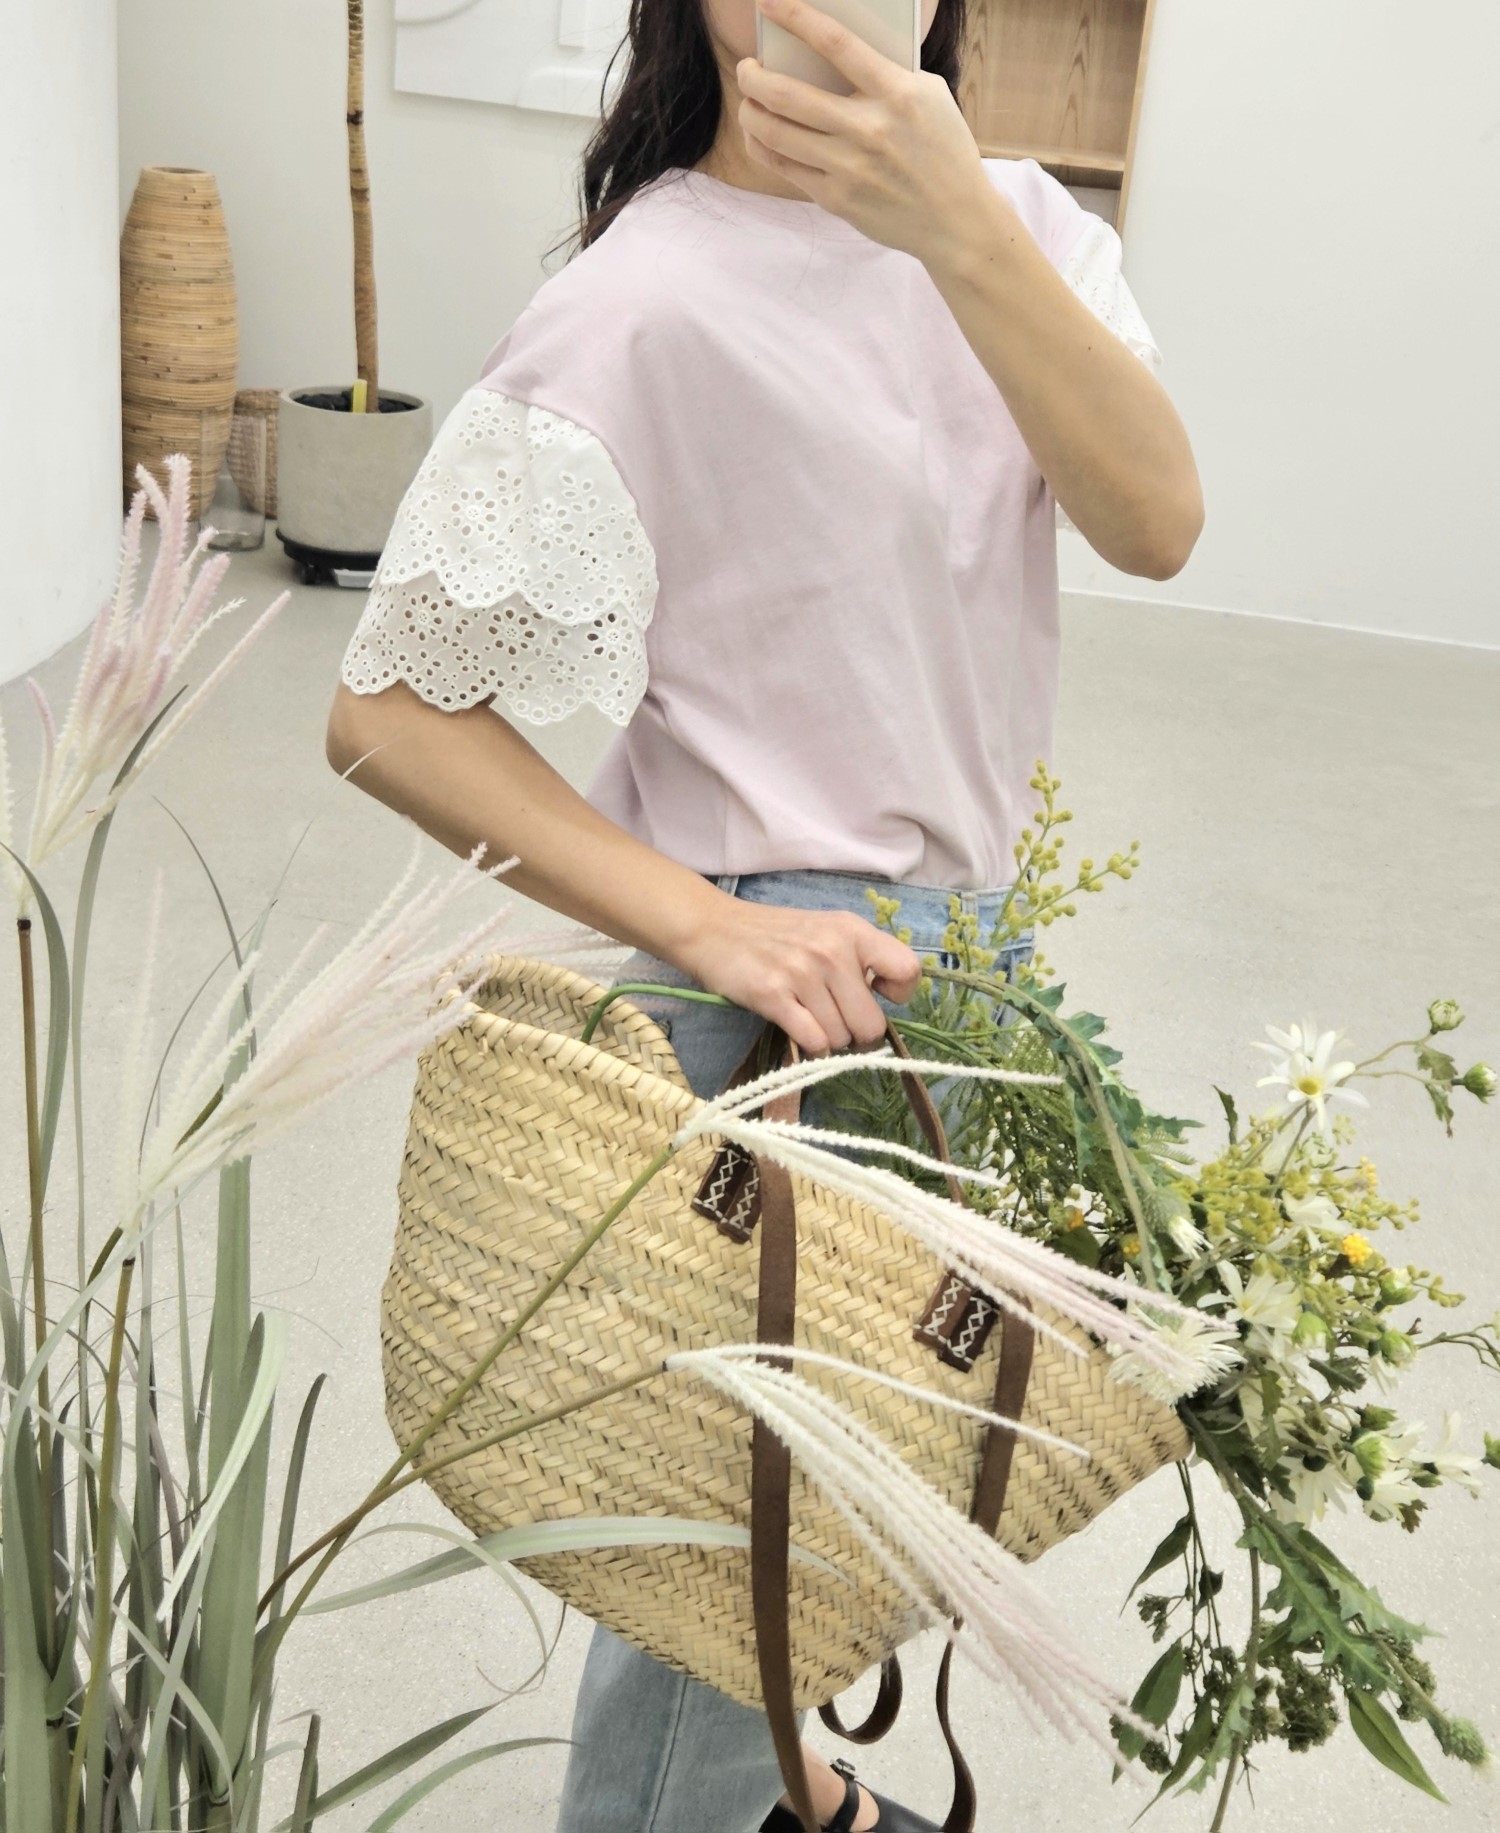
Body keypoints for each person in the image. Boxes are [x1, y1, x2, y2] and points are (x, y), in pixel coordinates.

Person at [325, 0, 1204, 1822]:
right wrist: (712, 928)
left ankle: (806, 1793)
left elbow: (1157, 520)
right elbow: (388, 709)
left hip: (961, 978)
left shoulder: (1023, 230)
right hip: (771, 992)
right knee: (740, 1554)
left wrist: (956, 227)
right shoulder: (645, 297)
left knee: (814, 1507)